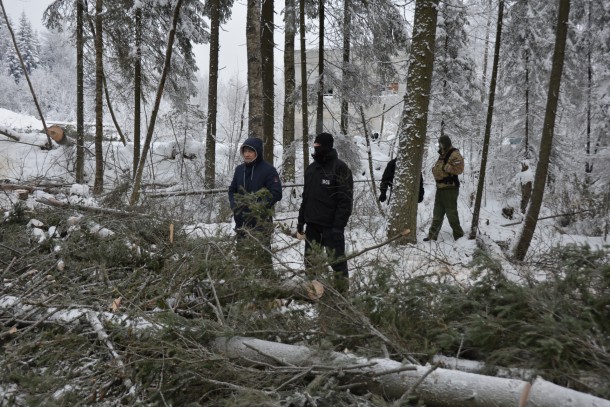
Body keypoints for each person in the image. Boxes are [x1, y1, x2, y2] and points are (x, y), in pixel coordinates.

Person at [297, 132, 353, 293]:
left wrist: (338, 226)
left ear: (328, 146)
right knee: (310, 262)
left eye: (319, 146)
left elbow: (346, 200)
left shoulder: (340, 168)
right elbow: (306, 196)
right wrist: (301, 220)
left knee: (337, 263)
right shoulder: (311, 169)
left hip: (331, 227)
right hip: (312, 225)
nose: (316, 149)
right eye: (314, 146)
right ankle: (311, 291)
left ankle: (342, 295)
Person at [228, 137, 282, 270]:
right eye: (245, 151)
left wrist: (259, 207)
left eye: (250, 151)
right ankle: (244, 284)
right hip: (241, 221)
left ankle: (267, 280)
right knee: (242, 255)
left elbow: (276, 193)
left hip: (261, 221)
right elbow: (232, 190)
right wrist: (234, 205)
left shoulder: (268, 170)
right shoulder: (239, 170)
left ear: (257, 152)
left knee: (263, 255)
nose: (247, 154)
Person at [424, 135, 464, 241]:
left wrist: (446, 168)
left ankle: (459, 236)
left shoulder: (454, 153)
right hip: (440, 188)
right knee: (437, 213)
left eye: (441, 143)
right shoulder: (442, 154)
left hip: (450, 189)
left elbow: (460, 169)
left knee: (451, 214)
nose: (440, 145)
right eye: (439, 143)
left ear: (446, 143)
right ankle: (432, 236)